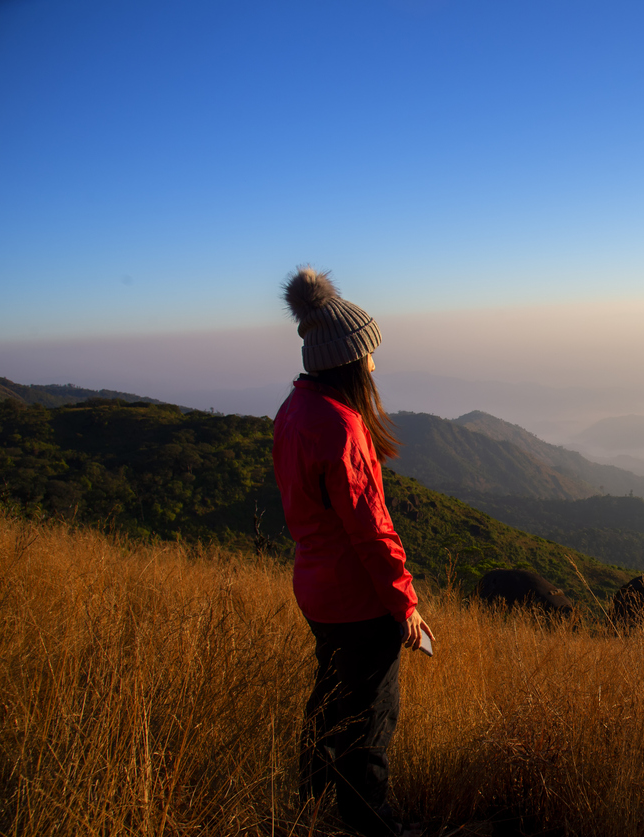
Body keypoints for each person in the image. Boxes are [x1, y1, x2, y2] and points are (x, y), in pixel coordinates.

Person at [272, 266, 433, 837]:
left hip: (315, 588)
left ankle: (311, 799)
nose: (374, 364)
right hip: (357, 597)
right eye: (369, 353)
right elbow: (372, 529)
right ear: (348, 357)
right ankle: (372, 824)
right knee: (370, 718)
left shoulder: (294, 410)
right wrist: (405, 603)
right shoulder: (341, 427)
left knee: (331, 696)